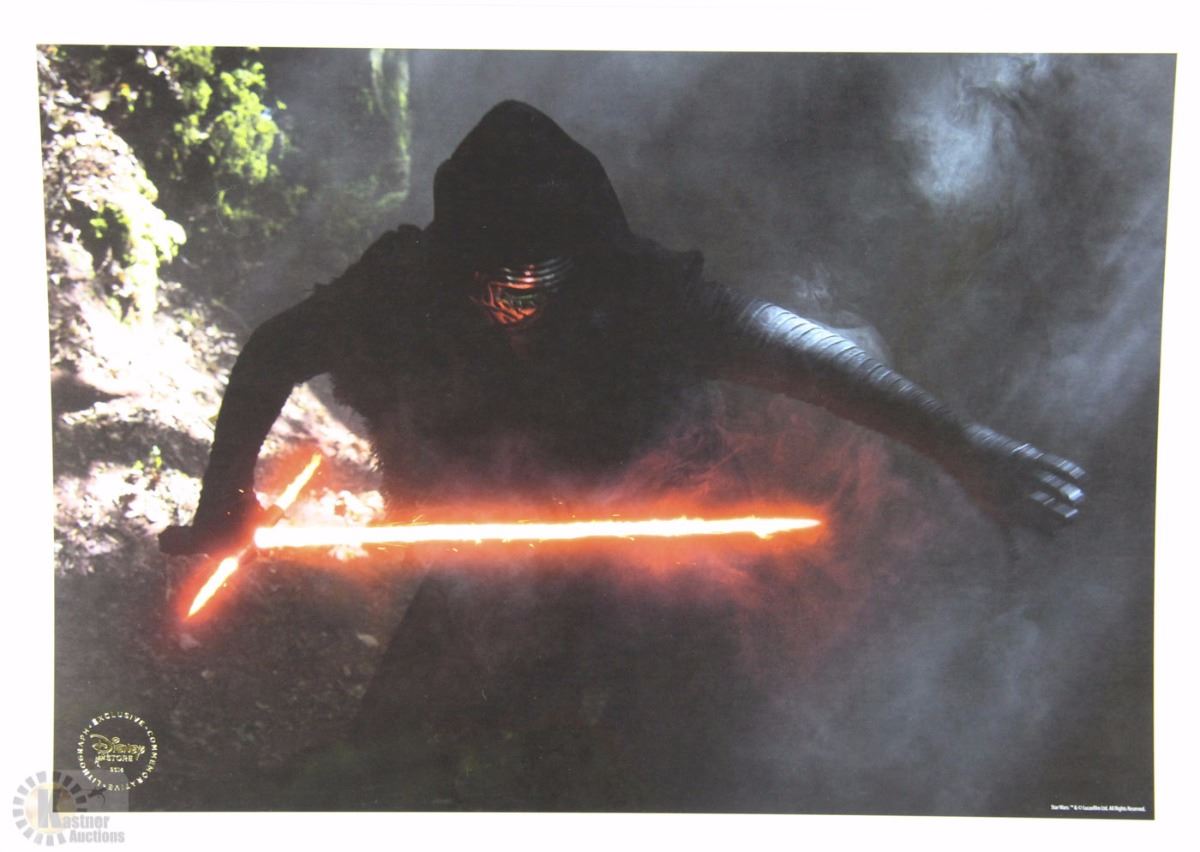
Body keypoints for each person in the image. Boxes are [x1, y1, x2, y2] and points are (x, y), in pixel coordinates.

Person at [160, 100, 1085, 808]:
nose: (517, 302)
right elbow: (273, 351)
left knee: (682, 773)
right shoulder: (406, 285)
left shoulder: (644, 296)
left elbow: (807, 355)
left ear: (586, 254)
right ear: (455, 257)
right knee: (385, 769)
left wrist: (962, 444)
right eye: (496, 279)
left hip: (666, 564)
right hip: (499, 568)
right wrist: (223, 505)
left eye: (540, 276)